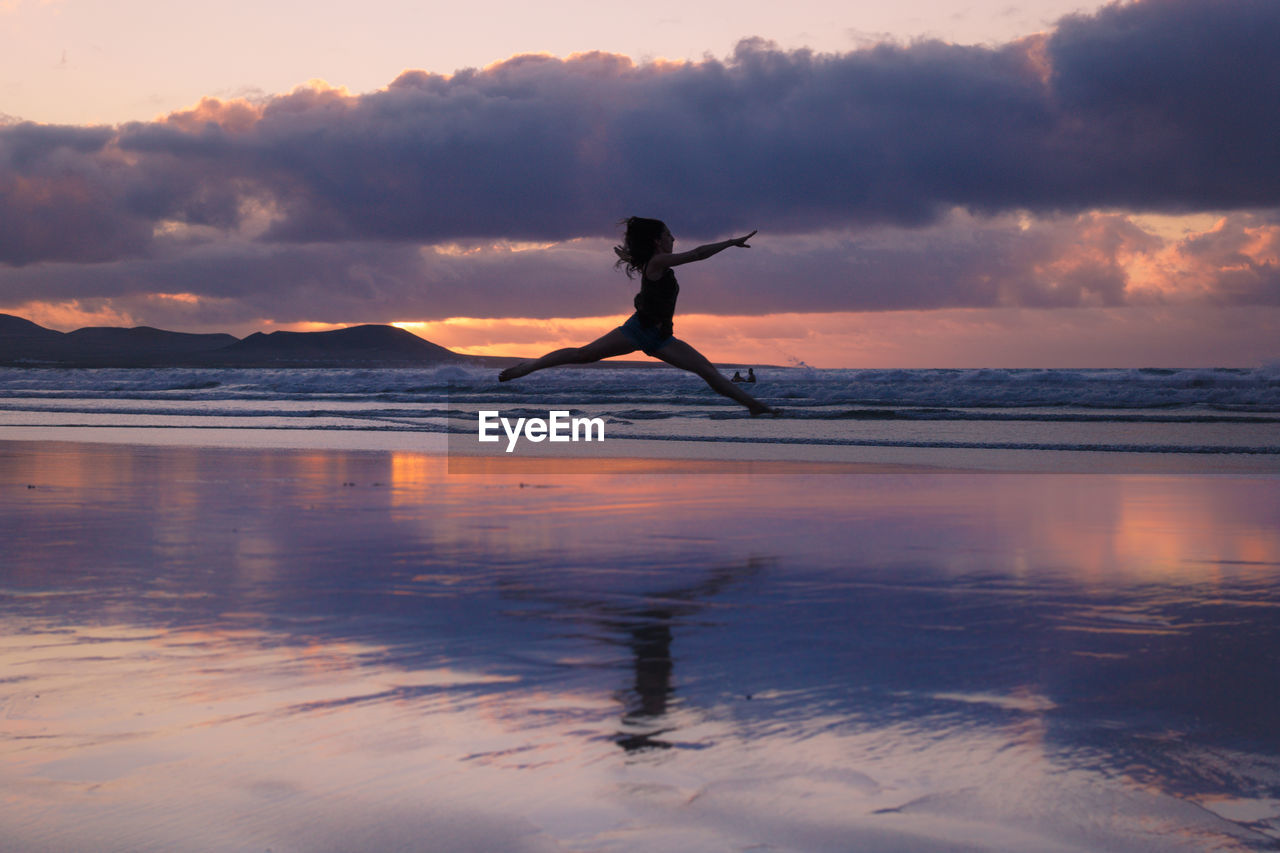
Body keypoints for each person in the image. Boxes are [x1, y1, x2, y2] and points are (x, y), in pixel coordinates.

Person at [498, 217, 777, 415]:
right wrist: (730, 242)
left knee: (707, 371)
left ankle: (754, 406)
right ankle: (528, 367)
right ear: (657, 242)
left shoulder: (653, 262)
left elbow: (645, 260)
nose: (673, 238)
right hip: (638, 331)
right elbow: (698, 254)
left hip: (661, 337)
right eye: (668, 235)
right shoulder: (657, 261)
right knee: (584, 354)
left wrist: (628, 254)